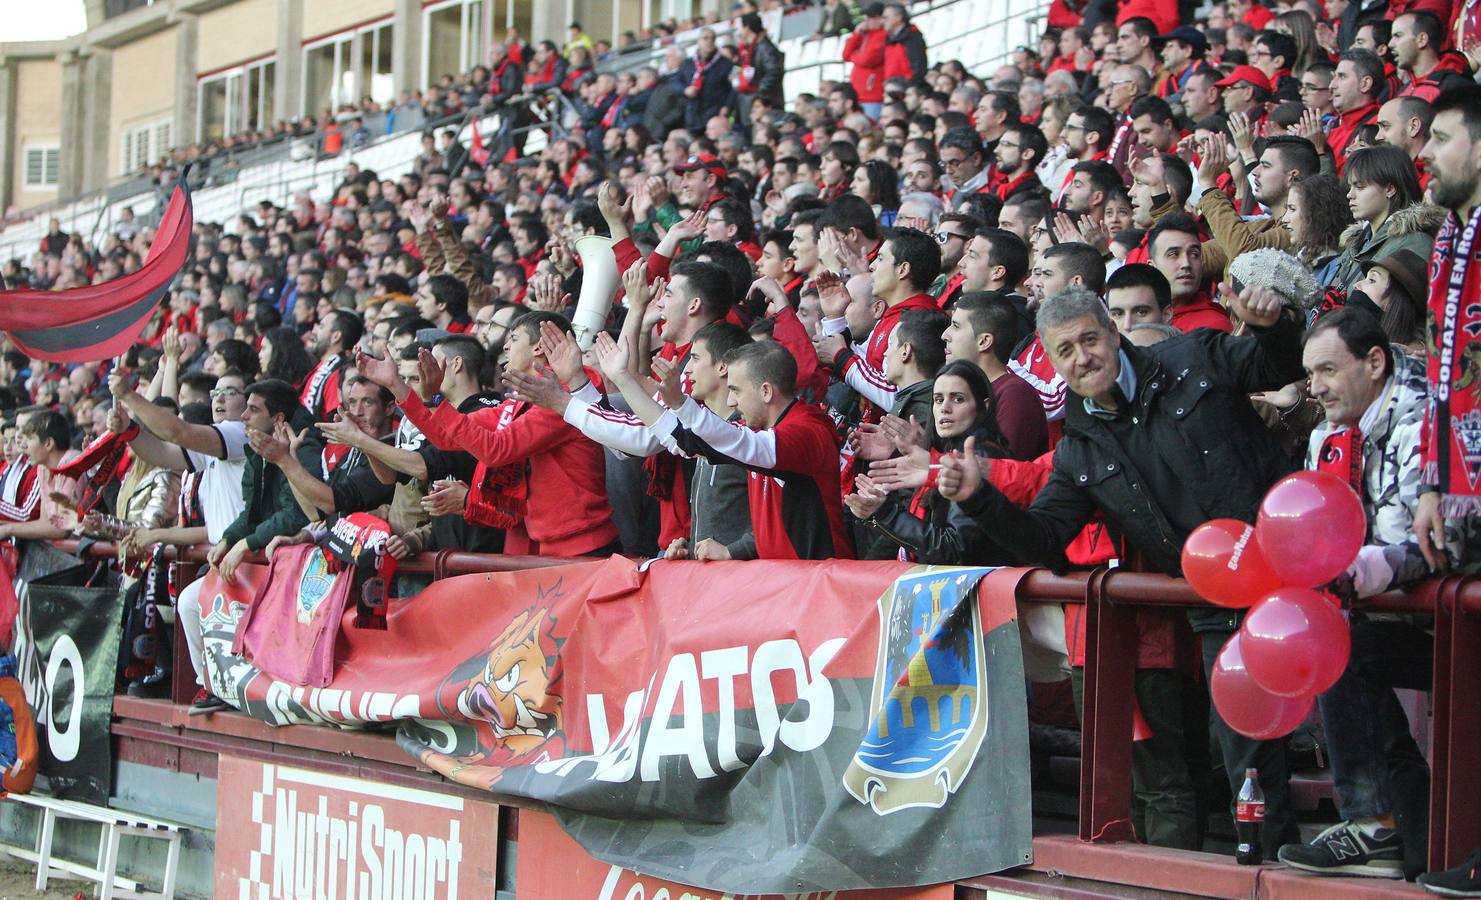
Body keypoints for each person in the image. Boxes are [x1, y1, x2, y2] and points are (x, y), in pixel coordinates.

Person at [935, 282, 1306, 854]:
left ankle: (1285, 865)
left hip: (1285, 575)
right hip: (1213, 606)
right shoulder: (1081, 443)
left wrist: (1272, 323)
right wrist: (979, 501)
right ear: (1052, 363)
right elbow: (1048, 539)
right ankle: (1261, 862)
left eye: (1090, 339)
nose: (1082, 358)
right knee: (1238, 750)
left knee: (1287, 740)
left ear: (1113, 334)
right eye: (1065, 351)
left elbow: (1275, 363)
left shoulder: (1193, 356)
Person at [1276, 309, 1438, 881]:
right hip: (1391, 620)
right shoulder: (1327, 429)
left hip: (1452, 621)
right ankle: (1390, 827)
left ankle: (1379, 823)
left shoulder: (1427, 416)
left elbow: (1427, 544)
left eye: (1326, 370)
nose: (1313, 387)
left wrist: (1354, 570)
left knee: (1339, 645)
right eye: (1307, 372)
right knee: (1330, 645)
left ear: (1375, 362)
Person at [359, 312, 619, 557]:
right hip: (540, 542)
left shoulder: (563, 399)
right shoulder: (518, 403)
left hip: (581, 546)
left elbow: (497, 450)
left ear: (538, 348)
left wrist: (436, 400)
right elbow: (445, 437)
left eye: (514, 339)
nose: (506, 347)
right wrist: (395, 384)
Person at [943, 291, 1047, 459]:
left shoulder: (1014, 394)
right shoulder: (973, 390)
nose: (945, 335)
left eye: (955, 326)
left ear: (984, 341)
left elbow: (1001, 468)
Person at [1325, 145, 1440, 293]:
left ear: (1390, 189)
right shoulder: (1357, 242)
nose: (1350, 195)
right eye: (1350, 187)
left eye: (1360, 187)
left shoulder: (1415, 243)